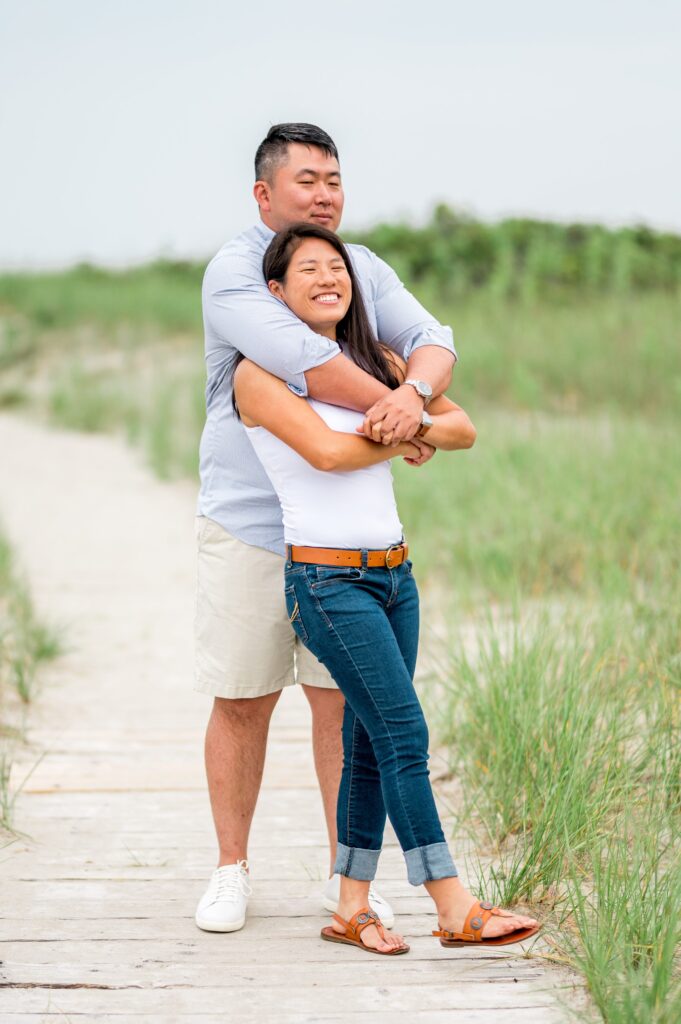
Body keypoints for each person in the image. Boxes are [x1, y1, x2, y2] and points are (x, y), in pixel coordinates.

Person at [233, 222, 540, 954]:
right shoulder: (257, 374)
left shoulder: (377, 361)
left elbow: (462, 429)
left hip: (394, 577)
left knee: (372, 739)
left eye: (335, 266)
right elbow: (330, 453)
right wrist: (406, 425)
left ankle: (349, 905)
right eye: (306, 269)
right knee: (404, 731)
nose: (326, 277)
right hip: (326, 581)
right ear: (276, 292)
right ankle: (451, 904)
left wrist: (411, 404)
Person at [195, 123, 457, 933]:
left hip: (346, 547)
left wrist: (409, 398)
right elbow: (306, 365)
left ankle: (347, 880)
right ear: (263, 195)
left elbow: (432, 341)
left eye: (334, 180)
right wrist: (399, 411)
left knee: (340, 705)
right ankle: (230, 868)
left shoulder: (360, 267)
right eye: (306, 180)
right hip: (251, 524)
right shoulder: (239, 274)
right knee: (243, 697)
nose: (324, 195)